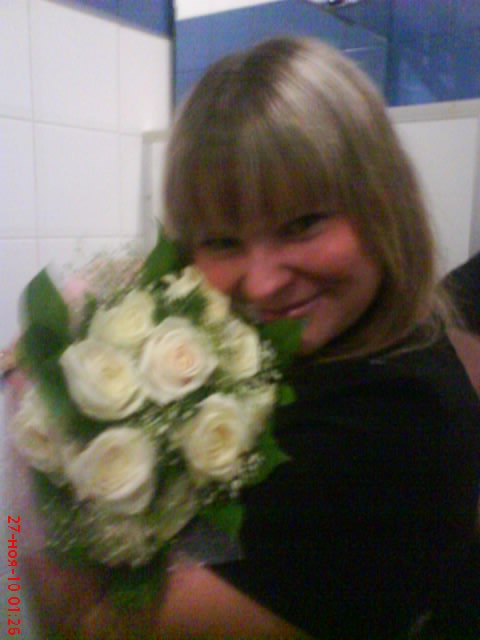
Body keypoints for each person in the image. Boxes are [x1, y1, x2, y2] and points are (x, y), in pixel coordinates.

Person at [9, 36, 480, 639]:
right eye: (223, 241)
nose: (261, 285)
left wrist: (40, 411)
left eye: (303, 223)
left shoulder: (389, 425)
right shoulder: (325, 355)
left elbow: (91, 628)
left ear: (385, 204)